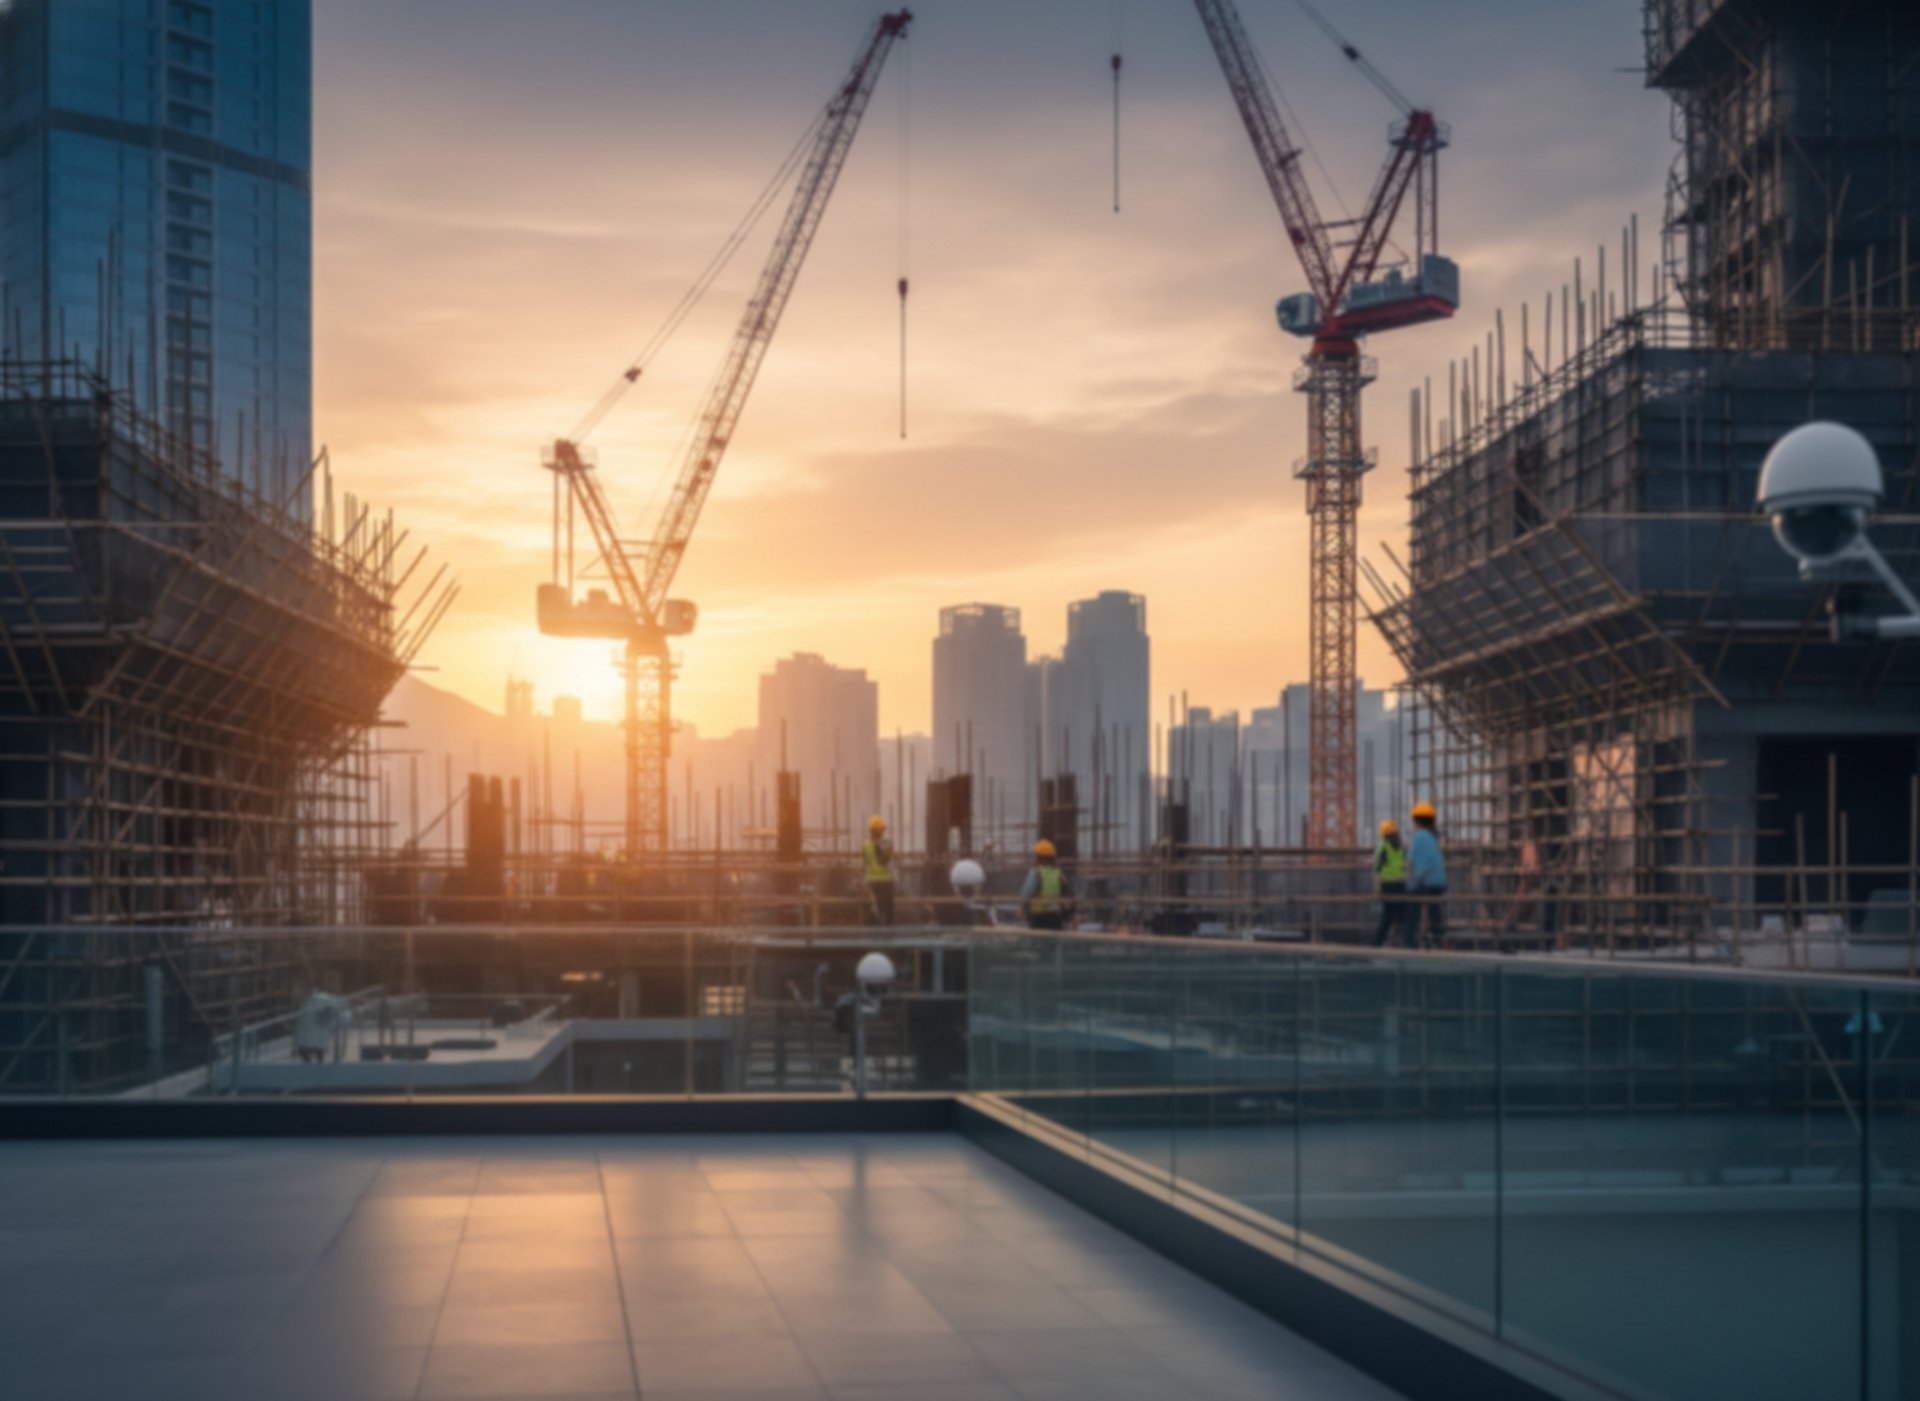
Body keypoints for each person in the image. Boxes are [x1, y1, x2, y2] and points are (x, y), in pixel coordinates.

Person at [1406, 802, 1448, 948]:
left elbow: (1419, 865)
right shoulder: (1432, 836)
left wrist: (1412, 884)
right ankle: (1438, 939)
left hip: (1426, 883)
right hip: (1438, 883)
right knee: (1435, 913)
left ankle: (1410, 943)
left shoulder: (1419, 837)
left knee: (1412, 911)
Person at [1373, 820, 1410, 947]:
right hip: (1400, 884)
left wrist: (1377, 888)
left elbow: (1377, 867)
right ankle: (1405, 943)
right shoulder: (1400, 846)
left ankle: (1377, 943)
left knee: (1387, 917)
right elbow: (1406, 862)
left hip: (1387, 885)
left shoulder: (1382, 846)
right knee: (1402, 916)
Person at [1022, 839, 1071, 930]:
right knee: (1053, 943)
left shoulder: (1035, 873)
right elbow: (1067, 894)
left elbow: (1026, 895)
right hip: (1055, 916)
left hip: (1038, 917)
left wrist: (1026, 913)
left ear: (1038, 857)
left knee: (1038, 943)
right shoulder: (1059, 873)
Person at [862, 816, 895, 925]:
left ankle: (877, 930)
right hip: (884, 880)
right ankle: (886, 931)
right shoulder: (882, 842)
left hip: (874, 880)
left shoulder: (868, 844)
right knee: (886, 907)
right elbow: (886, 859)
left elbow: (867, 861)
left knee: (878, 906)